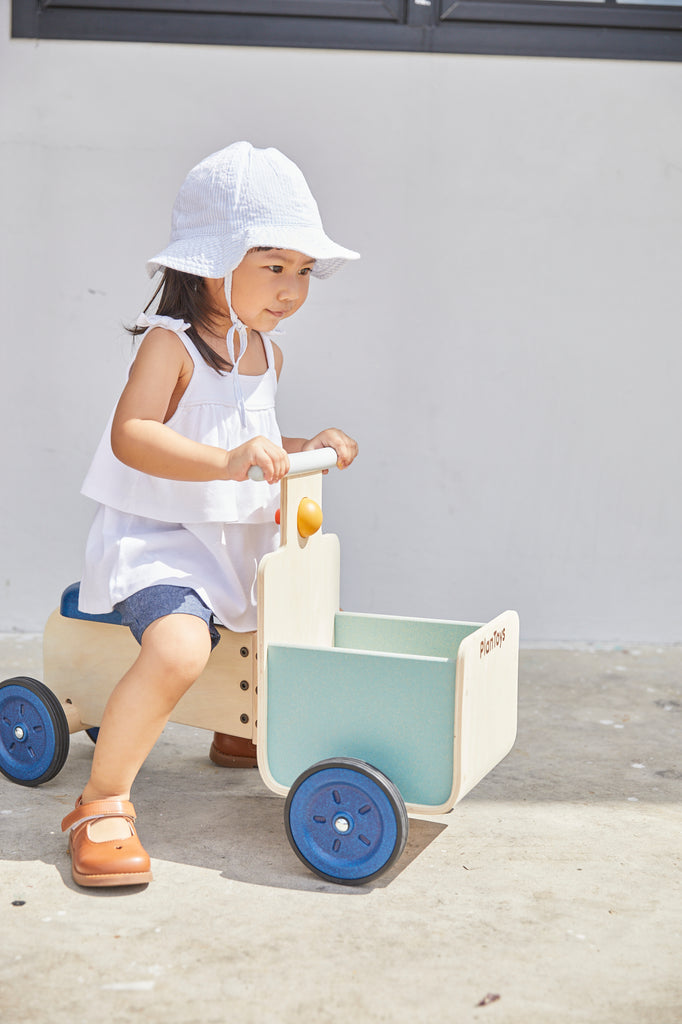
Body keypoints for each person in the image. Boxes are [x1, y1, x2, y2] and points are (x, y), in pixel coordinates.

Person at [60, 142, 359, 887]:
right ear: (211, 264)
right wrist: (228, 461)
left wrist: (303, 446)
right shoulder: (171, 347)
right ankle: (101, 801)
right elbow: (133, 435)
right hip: (160, 540)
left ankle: (235, 726)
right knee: (179, 650)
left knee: (284, 618)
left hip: (230, 541)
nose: (293, 289)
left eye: (304, 271)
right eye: (274, 266)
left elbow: (250, 443)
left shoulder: (266, 354)